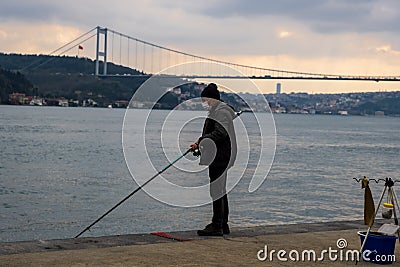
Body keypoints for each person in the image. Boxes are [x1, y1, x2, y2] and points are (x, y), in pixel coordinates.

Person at [190, 83, 237, 236]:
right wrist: (200, 142)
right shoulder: (217, 110)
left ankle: (217, 225)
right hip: (220, 155)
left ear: (213, 99)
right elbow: (214, 133)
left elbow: (220, 133)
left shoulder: (221, 112)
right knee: (220, 190)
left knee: (217, 190)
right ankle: (223, 224)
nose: (205, 103)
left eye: (206, 100)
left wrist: (202, 140)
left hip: (220, 156)